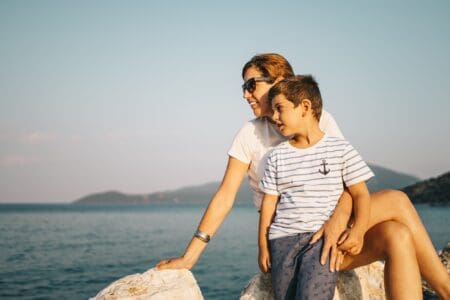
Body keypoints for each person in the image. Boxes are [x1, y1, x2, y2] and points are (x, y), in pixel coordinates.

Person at [156, 53, 450, 300]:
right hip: (294, 240)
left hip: (332, 226)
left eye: (251, 84)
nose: (245, 94)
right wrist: (189, 257)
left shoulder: (319, 120)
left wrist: (337, 221)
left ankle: (445, 290)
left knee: (397, 231)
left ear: (280, 83)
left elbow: (348, 179)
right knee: (397, 206)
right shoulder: (250, 134)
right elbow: (225, 196)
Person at [258, 75, 374, 299]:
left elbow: (360, 194)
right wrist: (263, 246)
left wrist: (358, 231)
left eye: (279, 109)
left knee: (313, 294)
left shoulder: (340, 149)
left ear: (305, 107)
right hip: (281, 241)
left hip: (321, 239)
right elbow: (269, 203)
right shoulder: (277, 156)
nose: (274, 117)